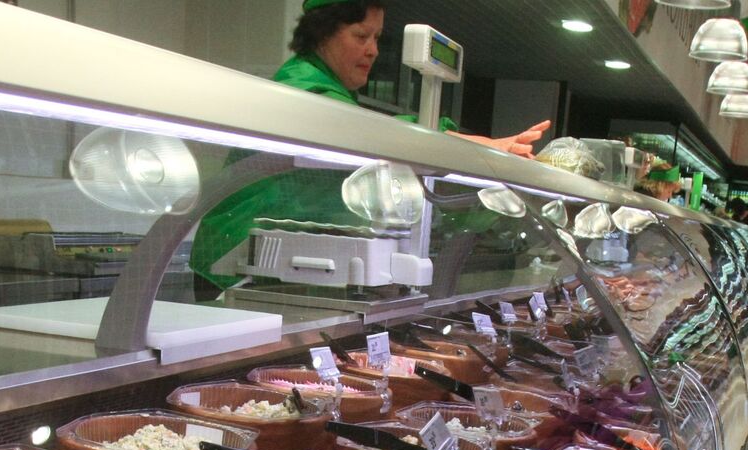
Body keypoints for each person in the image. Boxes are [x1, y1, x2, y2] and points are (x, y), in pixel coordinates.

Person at [192, 0, 549, 290]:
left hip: (278, 264)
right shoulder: (303, 86)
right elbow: (374, 133)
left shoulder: (332, 89)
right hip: (232, 265)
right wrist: (484, 147)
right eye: (361, 36)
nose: (373, 50)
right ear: (321, 35)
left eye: (377, 38)